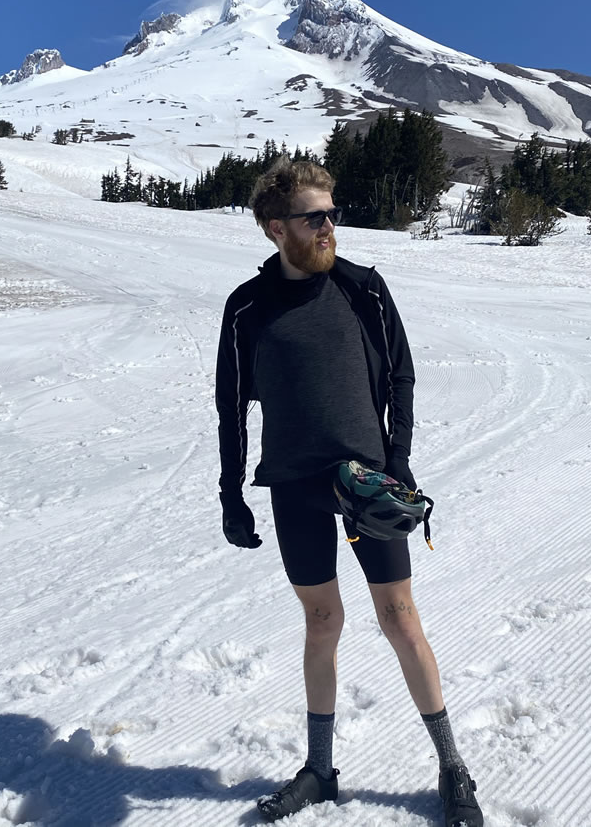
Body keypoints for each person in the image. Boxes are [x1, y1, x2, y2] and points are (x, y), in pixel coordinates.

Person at [215, 157, 483, 826]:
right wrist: (231, 492)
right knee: (322, 621)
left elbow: (401, 378)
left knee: (400, 617)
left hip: (367, 484)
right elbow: (229, 408)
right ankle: (321, 768)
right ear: (277, 228)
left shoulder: (364, 289)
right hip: (294, 484)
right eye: (316, 216)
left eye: (333, 211)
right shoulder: (247, 307)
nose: (331, 225)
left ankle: (453, 767)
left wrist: (399, 463)